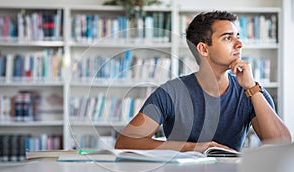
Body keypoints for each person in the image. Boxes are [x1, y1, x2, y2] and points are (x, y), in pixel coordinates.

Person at [115, 10, 292, 153]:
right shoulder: (171, 92)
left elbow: (281, 144)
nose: (239, 44)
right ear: (203, 49)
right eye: (228, 38)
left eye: (238, 36)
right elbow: (125, 142)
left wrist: (252, 88)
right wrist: (193, 147)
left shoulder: (250, 91)